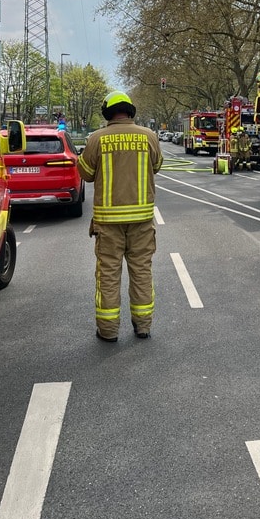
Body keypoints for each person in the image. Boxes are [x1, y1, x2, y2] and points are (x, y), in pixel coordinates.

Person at [77, 91, 163, 343]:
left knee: (108, 275)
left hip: (108, 224)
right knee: (142, 272)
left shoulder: (96, 139)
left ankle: (108, 331)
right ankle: (143, 326)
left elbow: (86, 173)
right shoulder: (149, 136)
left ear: (107, 113)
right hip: (142, 222)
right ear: (130, 110)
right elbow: (156, 166)